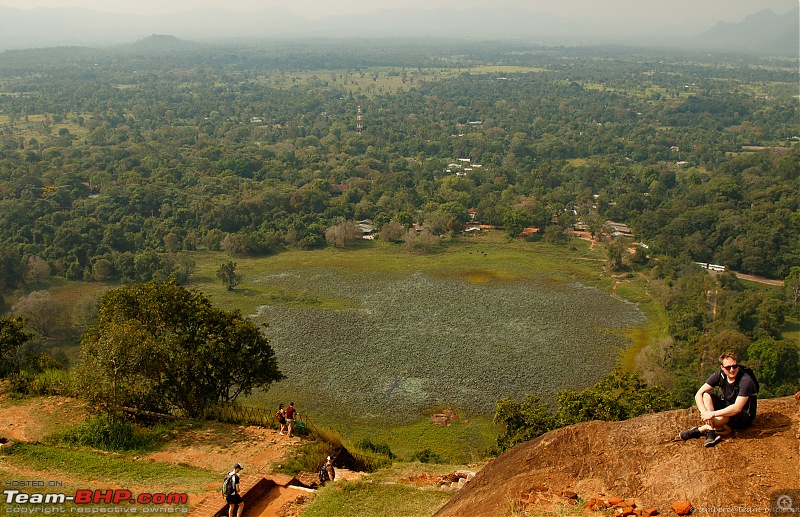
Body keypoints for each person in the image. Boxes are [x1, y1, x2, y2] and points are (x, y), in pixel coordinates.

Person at [679, 352, 757, 447]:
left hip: (743, 416)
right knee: (706, 395)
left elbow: (737, 408)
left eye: (735, 366)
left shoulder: (745, 380)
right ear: (722, 368)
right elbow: (698, 394)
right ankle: (713, 430)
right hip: (727, 408)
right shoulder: (720, 375)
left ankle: (700, 430)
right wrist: (705, 414)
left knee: (724, 415)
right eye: (728, 367)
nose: (732, 370)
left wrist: (711, 414)